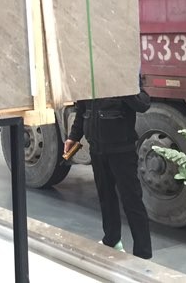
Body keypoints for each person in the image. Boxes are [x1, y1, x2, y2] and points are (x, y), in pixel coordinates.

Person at [63, 76, 153, 259]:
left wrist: (121, 86)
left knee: (132, 200)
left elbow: (143, 104)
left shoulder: (123, 75)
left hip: (122, 150)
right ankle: (111, 240)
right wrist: (73, 137)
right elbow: (82, 111)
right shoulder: (89, 77)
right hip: (97, 149)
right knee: (105, 197)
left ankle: (143, 254)